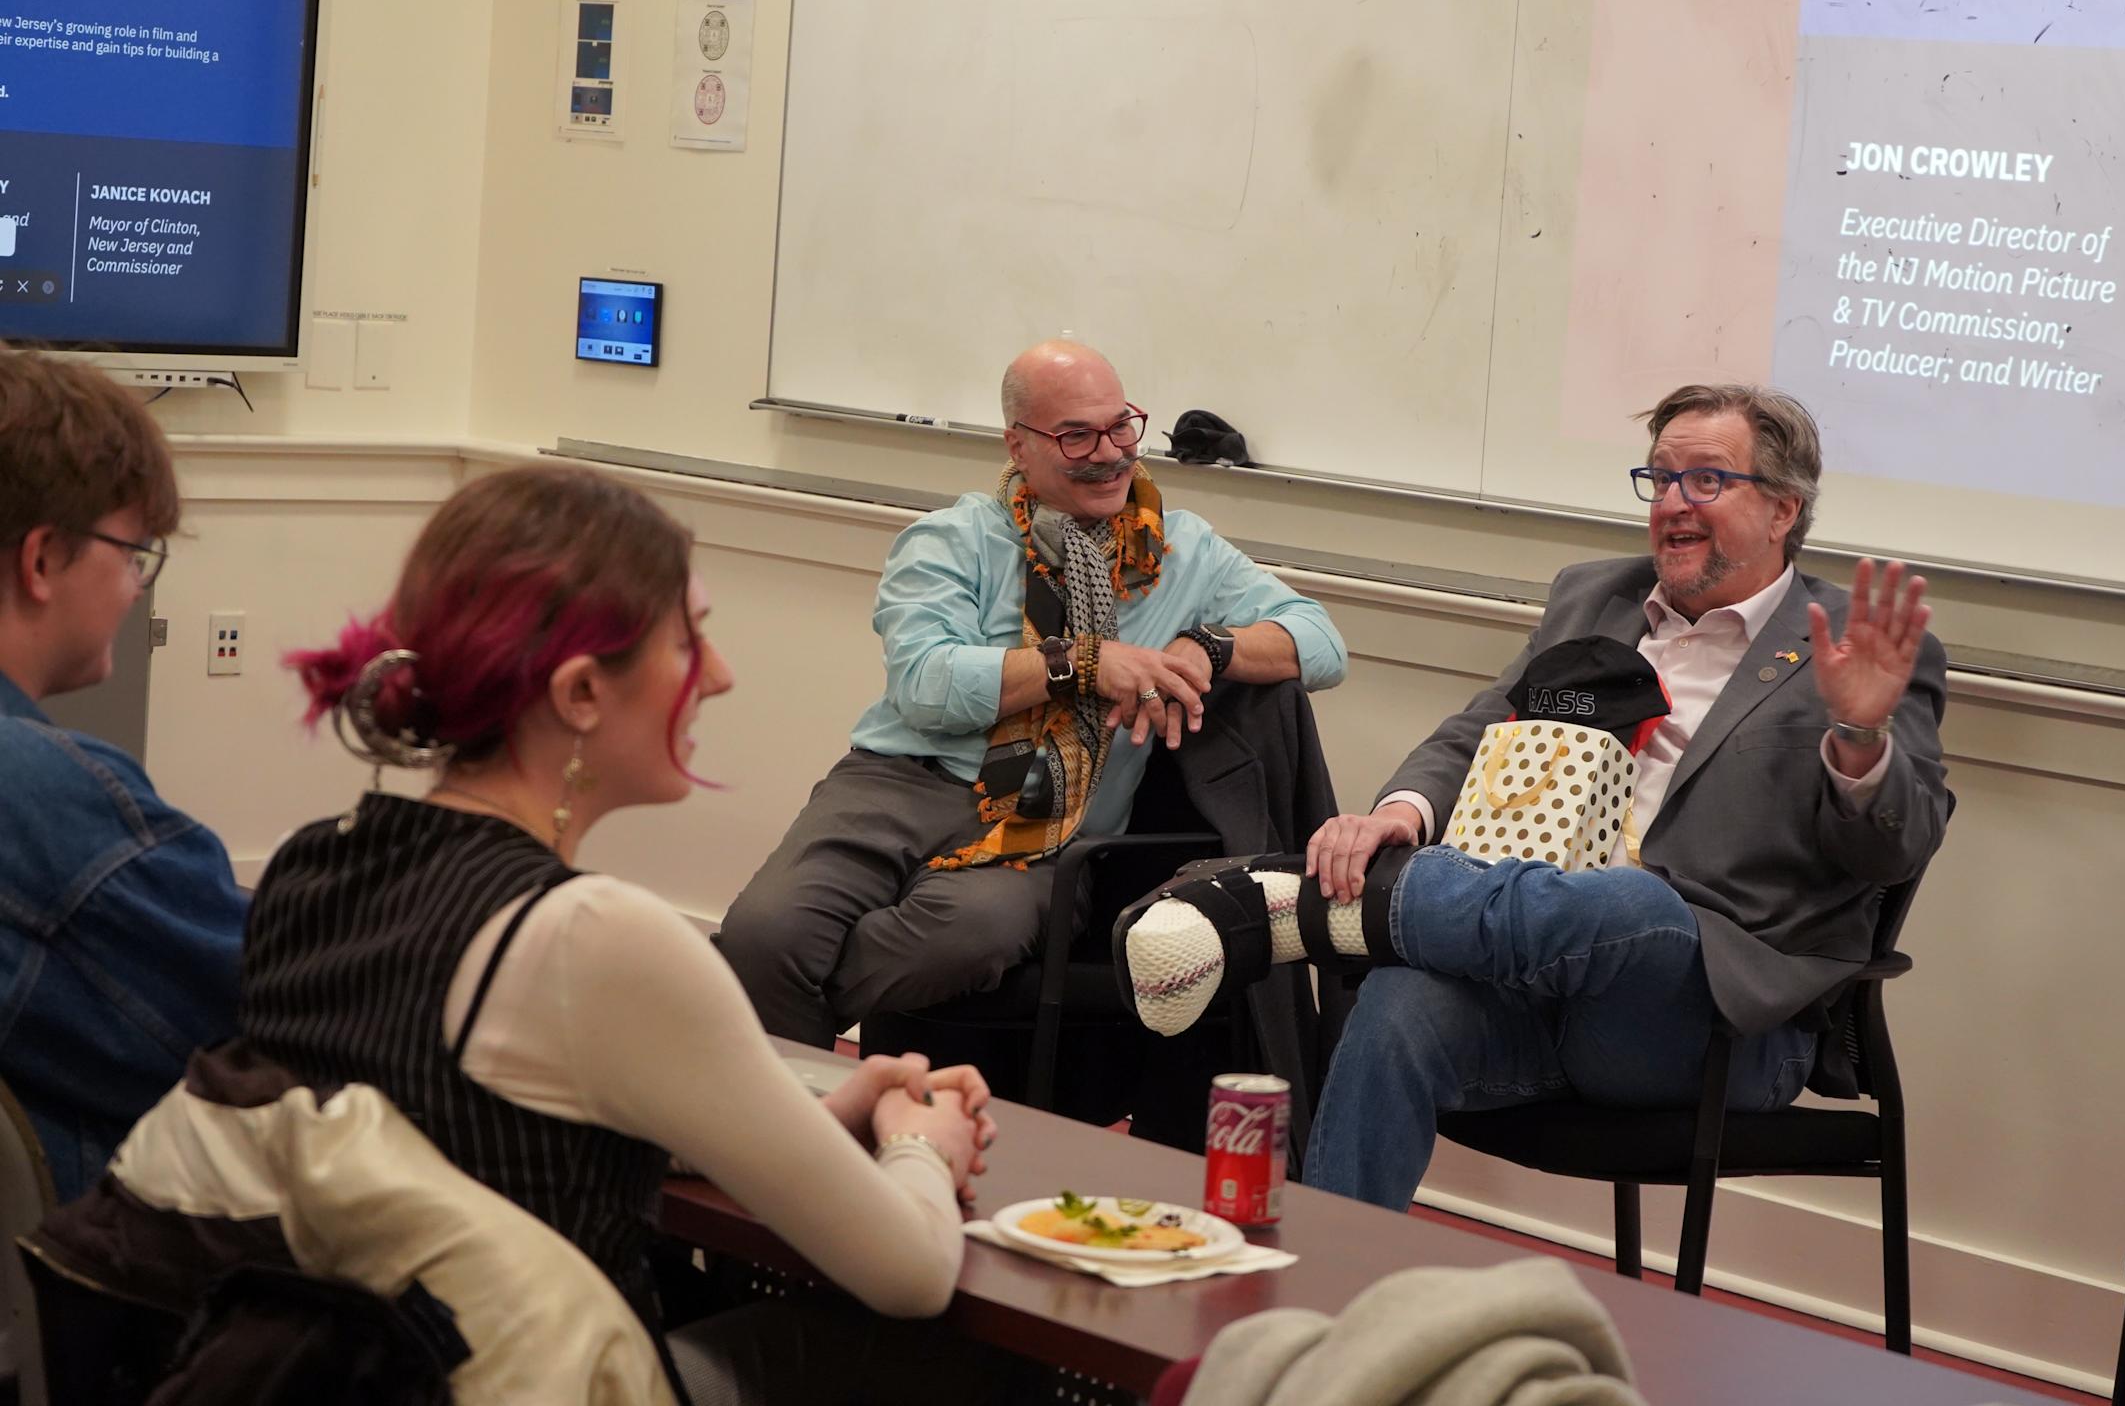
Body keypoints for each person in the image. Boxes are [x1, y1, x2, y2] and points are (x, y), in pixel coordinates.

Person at [240, 463, 995, 1399]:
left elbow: (471, 1111)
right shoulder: (594, 938)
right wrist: (927, 1146)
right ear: (583, 694)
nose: (718, 677)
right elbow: (912, 1273)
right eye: (690, 641)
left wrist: (823, 1115)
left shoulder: (310, 864)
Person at [1125, 383, 1949, 1210]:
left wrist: (1858, 739)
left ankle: (1311, 909)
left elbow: (1891, 849)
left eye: (1705, 480)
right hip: (1536, 979)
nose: (1673, 504)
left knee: (1635, 903)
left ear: (1782, 510)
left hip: (1714, 1026)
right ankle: (1326, 1292)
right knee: (1398, 1004)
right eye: (1658, 479)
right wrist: (1397, 815)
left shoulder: (1852, 647)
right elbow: (1478, 727)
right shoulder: (1596, 598)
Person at [717, 339, 1348, 1047]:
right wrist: (1079, 663)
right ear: (1018, 444)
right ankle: (794, 1104)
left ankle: (740, 1037)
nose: (1110, 453)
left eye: (1121, 426)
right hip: (900, 783)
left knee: (961, 937)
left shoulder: (1183, 552)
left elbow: (1322, 643)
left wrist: (1208, 645)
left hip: (1053, 822)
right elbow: (926, 685)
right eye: (1076, 435)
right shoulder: (952, 539)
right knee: (763, 934)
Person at [0, 346, 247, 1203]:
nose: (136, 587)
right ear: (40, 561)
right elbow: (271, 1026)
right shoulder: (47, 795)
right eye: (133, 551)